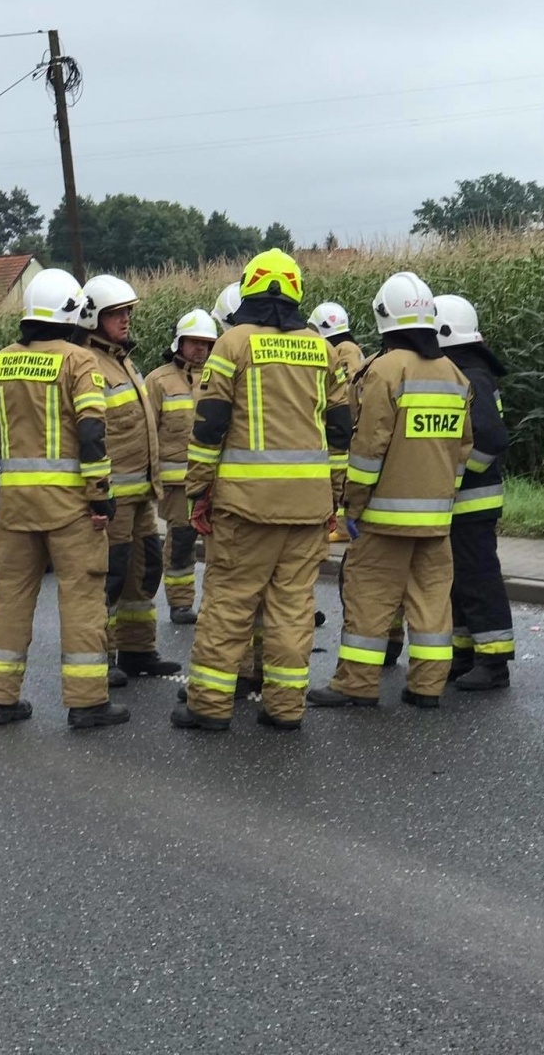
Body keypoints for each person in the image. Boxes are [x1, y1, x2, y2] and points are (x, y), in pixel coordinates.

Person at [171, 251, 352, 732]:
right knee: (293, 609)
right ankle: (285, 708)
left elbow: (209, 428)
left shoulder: (232, 344)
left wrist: (197, 493)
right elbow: (340, 432)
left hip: (245, 507)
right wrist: (334, 497)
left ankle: (209, 706)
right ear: (295, 292)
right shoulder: (323, 350)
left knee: (229, 605)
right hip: (308, 508)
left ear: (248, 288)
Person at [0, 269, 128, 729]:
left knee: (11, 601)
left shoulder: (0, 363)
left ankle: (1, 700)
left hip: (16, 508)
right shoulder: (79, 361)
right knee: (82, 601)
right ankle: (87, 702)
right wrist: (99, 498)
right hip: (71, 509)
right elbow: (92, 432)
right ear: (71, 314)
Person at [308, 272, 472, 710]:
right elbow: (462, 450)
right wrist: (445, 498)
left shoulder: (383, 371)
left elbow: (368, 450)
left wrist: (352, 506)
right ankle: (428, 686)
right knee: (433, 603)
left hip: (383, 520)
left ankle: (356, 684)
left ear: (385, 317)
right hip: (436, 521)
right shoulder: (454, 375)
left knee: (369, 598)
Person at [79, 274, 180, 681]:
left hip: (139, 496)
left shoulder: (122, 360)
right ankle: (99, 658)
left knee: (144, 572)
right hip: (112, 497)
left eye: (127, 313)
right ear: (92, 318)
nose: (125, 320)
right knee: (110, 577)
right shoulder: (89, 363)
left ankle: (138, 650)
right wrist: (96, 494)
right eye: (115, 314)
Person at [434, 294, 514, 690]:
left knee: (478, 581)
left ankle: (494, 662)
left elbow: (492, 438)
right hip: (462, 503)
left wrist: (459, 476)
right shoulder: (465, 370)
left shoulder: (471, 375)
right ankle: (464, 653)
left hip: (471, 501)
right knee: (459, 582)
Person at [144, 309, 218, 625]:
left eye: (205, 343)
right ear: (179, 343)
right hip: (177, 484)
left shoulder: (221, 376)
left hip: (216, 479)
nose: (200, 348)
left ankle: (217, 604)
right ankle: (181, 602)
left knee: (221, 543)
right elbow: (146, 432)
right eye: (193, 342)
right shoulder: (158, 381)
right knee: (181, 541)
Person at [307, 301, 366, 539]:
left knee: (342, 475)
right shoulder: (344, 347)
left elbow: (348, 382)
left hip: (347, 421)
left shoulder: (344, 349)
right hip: (347, 420)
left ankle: (341, 528)